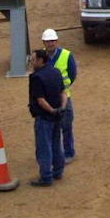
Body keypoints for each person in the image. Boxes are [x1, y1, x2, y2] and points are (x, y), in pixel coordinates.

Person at [28, 49, 67, 187]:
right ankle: (58, 171)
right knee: (56, 143)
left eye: (33, 60)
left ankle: (46, 177)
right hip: (57, 116)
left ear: (40, 61)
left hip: (44, 117)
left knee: (44, 147)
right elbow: (63, 92)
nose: (31, 62)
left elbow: (40, 100)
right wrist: (61, 108)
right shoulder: (56, 72)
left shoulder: (37, 77)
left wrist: (51, 110)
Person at [41, 28, 78, 160]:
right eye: (47, 41)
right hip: (47, 98)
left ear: (56, 41)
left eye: (52, 41)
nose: (50, 44)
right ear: (43, 43)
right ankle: (54, 153)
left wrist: (63, 88)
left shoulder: (67, 55)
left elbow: (72, 74)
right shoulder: (41, 57)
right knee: (50, 127)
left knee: (66, 125)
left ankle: (69, 152)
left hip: (64, 96)